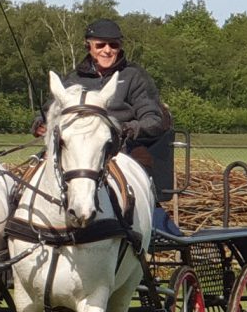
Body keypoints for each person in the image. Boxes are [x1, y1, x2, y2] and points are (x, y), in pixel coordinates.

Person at [39, 17, 181, 234]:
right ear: (89, 46)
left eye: (113, 45)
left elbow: (154, 119)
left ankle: (137, 224)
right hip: (76, 151)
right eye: (100, 45)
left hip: (124, 149)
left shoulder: (134, 77)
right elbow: (52, 108)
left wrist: (129, 129)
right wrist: (40, 123)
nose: (107, 50)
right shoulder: (74, 79)